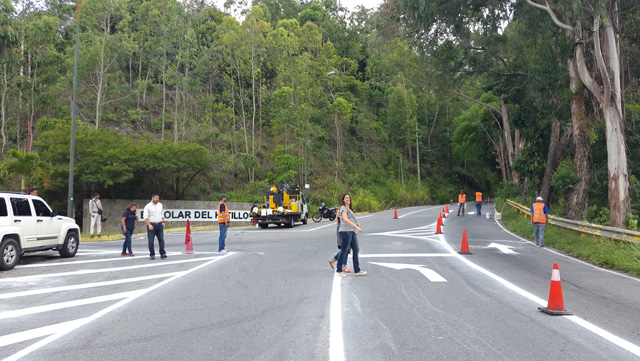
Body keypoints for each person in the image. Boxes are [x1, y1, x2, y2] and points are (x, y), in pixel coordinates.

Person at [336, 193, 366, 277]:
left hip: (351, 231)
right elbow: (345, 219)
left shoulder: (350, 209)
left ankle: (357, 270)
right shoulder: (343, 208)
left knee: (356, 249)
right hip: (345, 232)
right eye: (346, 198)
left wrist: (356, 224)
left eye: (349, 197)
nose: (348, 199)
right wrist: (356, 226)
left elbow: (350, 220)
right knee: (344, 250)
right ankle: (339, 269)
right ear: (343, 200)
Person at [144, 193, 166, 260]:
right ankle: (152, 254)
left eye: (158, 198)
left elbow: (161, 214)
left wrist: (163, 222)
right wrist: (149, 225)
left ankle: (162, 253)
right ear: (152, 198)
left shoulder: (160, 205)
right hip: (152, 224)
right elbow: (146, 217)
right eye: (156, 197)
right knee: (151, 241)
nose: (157, 199)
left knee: (161, 239)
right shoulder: (148, 206)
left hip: (159, 224)